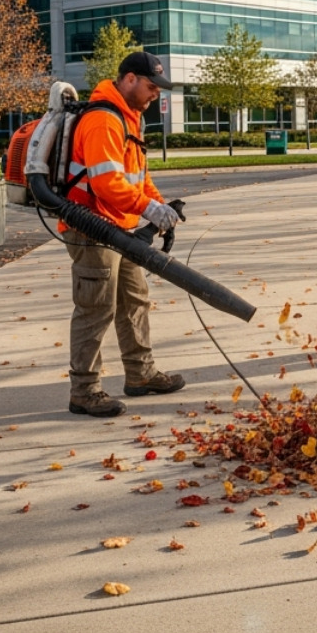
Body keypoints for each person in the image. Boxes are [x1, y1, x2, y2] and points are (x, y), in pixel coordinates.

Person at [62, 51, 187, 417]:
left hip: (119, 228)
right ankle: (84, 391)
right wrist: (148, 209)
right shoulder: (103, 119)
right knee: (95, 308)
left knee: (134, 299)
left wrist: (161, 208)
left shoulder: (129, 119)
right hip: (91, 228)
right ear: (129, 79)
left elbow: (138, 177)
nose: (155, 95)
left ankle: (140, 374)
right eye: (151, 87)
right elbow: (106, 182)